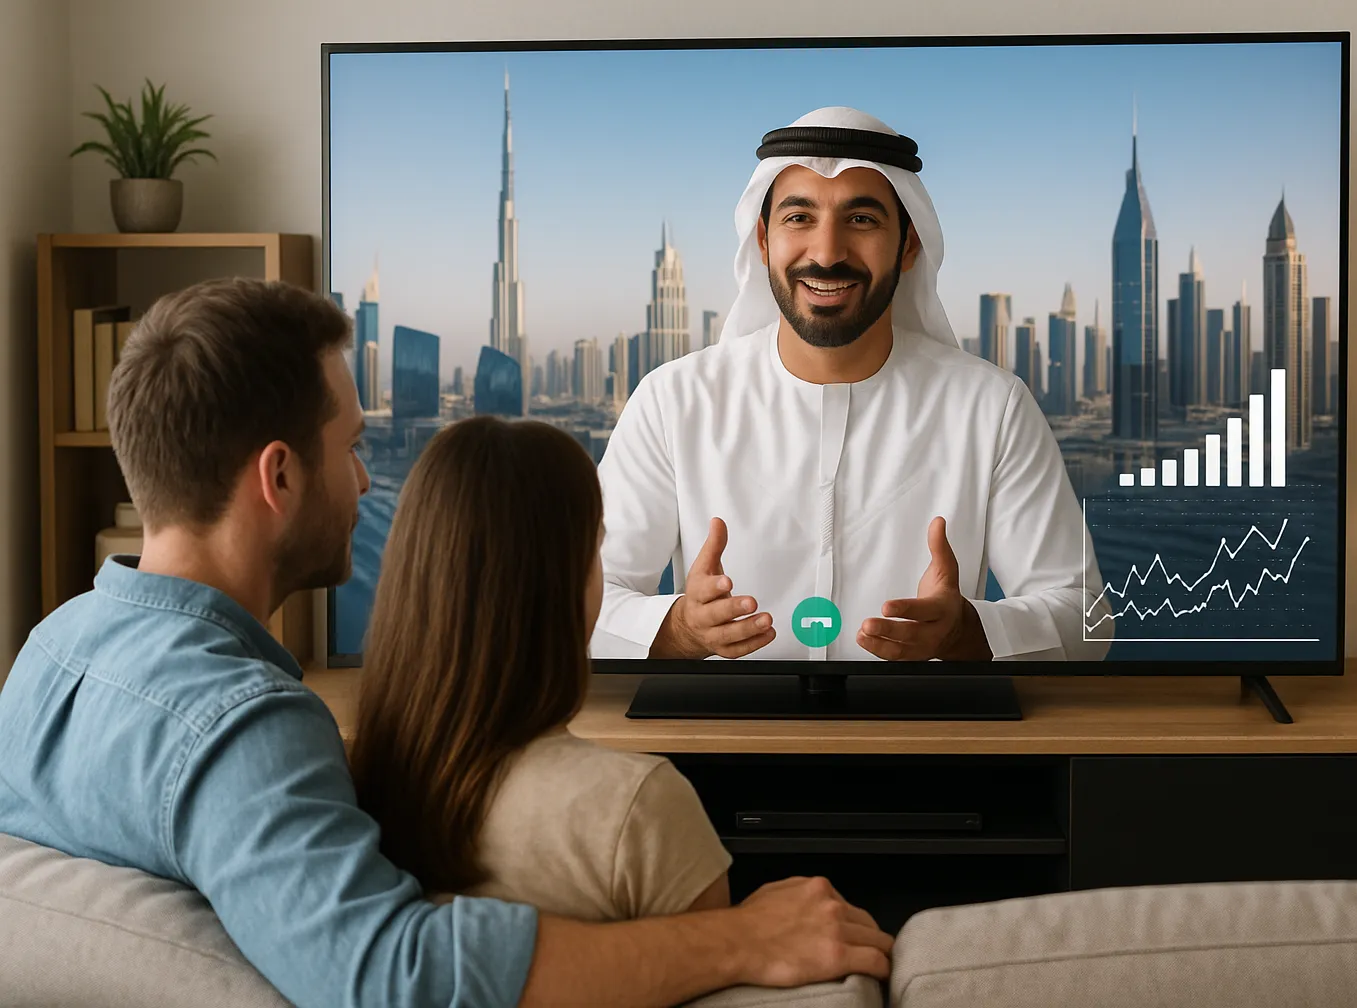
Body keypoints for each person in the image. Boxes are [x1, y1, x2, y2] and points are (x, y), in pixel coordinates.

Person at [0, 278, 892, 1008]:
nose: (364, 479)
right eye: (351, 446)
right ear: (278, 476)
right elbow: (395, 973)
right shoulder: (240, 730)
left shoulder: (49, 653)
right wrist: (734, 939)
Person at [594, 106, 1111, 664]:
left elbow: (1087, 618)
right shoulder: (673, 402)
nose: (827, 252)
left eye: (861, 220)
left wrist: (968, 631)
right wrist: (678, 630)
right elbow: (578, 606)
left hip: (925, 745)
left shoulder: (991, 408)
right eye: (799, 218)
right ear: (764, 241)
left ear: (908, 246)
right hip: (719, 743)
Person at [349, 416, 732, 921]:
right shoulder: (640, 806)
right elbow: (715, 963)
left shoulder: (348, 793)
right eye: (595, 549)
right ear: (565, 584)